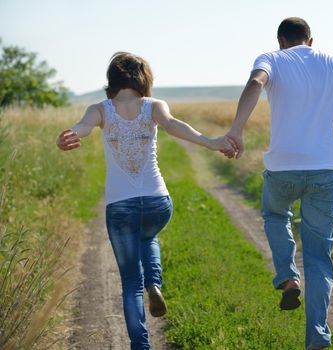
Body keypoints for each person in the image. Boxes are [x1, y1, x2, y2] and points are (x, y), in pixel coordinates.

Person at [56, 52, 236, 350]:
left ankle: (141, 345)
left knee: (129, 285)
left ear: (111, 79)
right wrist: (212, 142)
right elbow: (173, 125)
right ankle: (154, 282)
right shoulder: (153, 106)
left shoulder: (100, 109)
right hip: (157, 201)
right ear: (144, 78)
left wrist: (67, 137)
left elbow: (82, 127)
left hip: (120, 207)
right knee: (148, 234)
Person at [225, 17, 333, 349]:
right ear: (310, 41)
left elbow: (256, 83)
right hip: (328, 169)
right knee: (319, 256)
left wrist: (237, 129)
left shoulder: (271, 58)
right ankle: (317, 337)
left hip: (283, 168)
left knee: (274, 216)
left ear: (282, 40)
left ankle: (286, 276)